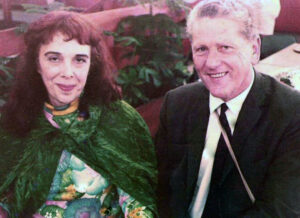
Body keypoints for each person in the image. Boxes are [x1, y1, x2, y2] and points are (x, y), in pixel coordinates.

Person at [0, 11, 157, 217]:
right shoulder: (16, 118)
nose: (68, 72)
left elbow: (138, 201)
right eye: (54, 58)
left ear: (92, 64)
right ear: (37, 64)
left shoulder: (119, 119)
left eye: (79, 60)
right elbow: (6, 197)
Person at [155, 0, 300, 217]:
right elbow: (161, 188)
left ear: (254, 49)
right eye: (202, 49)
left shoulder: (291, 113)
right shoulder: (177, 103)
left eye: (225, 47)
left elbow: (279, 211)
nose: (212, 62)